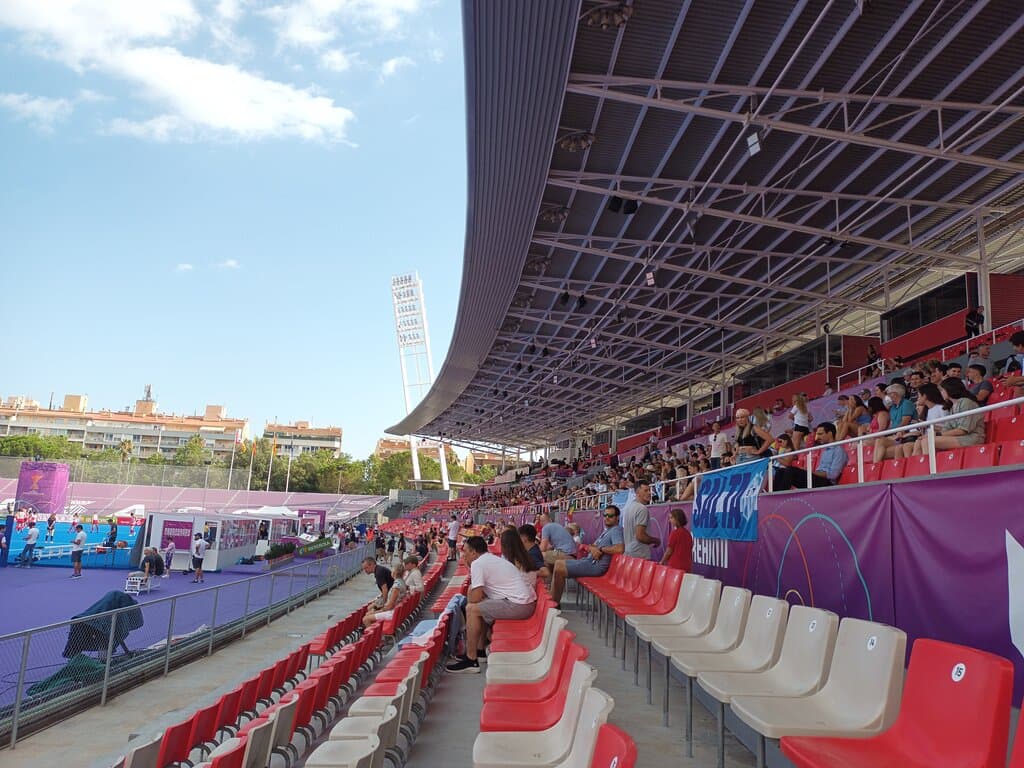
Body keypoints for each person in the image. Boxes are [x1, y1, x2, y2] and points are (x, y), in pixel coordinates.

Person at [445, 536, 537, 674]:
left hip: (520, 605)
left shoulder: (478, 564)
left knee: (472, 609)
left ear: (474, 552)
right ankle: (480, 650)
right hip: (523, 603)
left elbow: (474, 598)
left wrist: (469, 571)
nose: (464, 556)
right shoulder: (490, 559)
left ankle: (471, 660)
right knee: (481, 607)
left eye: (466, 552)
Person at [549, 506, 625, 606]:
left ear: (617, 518)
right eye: (605, 515)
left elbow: (620, 549)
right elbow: (594, 546)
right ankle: (552, 603)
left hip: (595, 566)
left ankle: (553, 604)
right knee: (558, 563)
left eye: (610, 515)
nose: (607, 517)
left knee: (559, 567)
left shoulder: (616, 530)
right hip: (589, 561)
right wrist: (593, 548)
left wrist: (601, 549)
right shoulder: (607, 531)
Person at [912, 378, 985, 454]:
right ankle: (919, 465)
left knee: (927, 441)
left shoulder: (966, 402)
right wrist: (931, 432)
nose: (941, 393)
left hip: (971, 437)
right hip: (959, 437)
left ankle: (930, 466)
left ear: (950, 389)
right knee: (919, 442)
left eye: (942, 390)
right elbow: (946, 428)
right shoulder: (952, 406)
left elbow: (963, 430)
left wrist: (937, 434)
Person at [873, 383, 916, 463]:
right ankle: (876, 465)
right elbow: (892, 425)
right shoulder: (892, 408)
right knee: (878, 440)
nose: (886, 397)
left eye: (888, 394)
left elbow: (904, 423)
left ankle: (875, 465)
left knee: (880, 442)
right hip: (895, 434)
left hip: (904, 434)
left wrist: (895, 433)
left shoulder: (907, 403)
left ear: (895, 394)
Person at [621, 480, 659, 560]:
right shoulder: (642, 509)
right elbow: (640, 536)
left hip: (629, 553)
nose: (649, 493)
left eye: (649, 490)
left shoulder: (629, 508)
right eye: (646, 490)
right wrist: (655, 540)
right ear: (637, 492)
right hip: (639, 555)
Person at [364, 562, 408, 627]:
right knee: (370, 612)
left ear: (394, 573)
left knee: (366, 619)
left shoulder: (396, 587)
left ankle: (374, 635)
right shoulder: (401, 582)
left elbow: (390, 606)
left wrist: (377, 611)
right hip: (394, 610)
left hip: (392, 612)